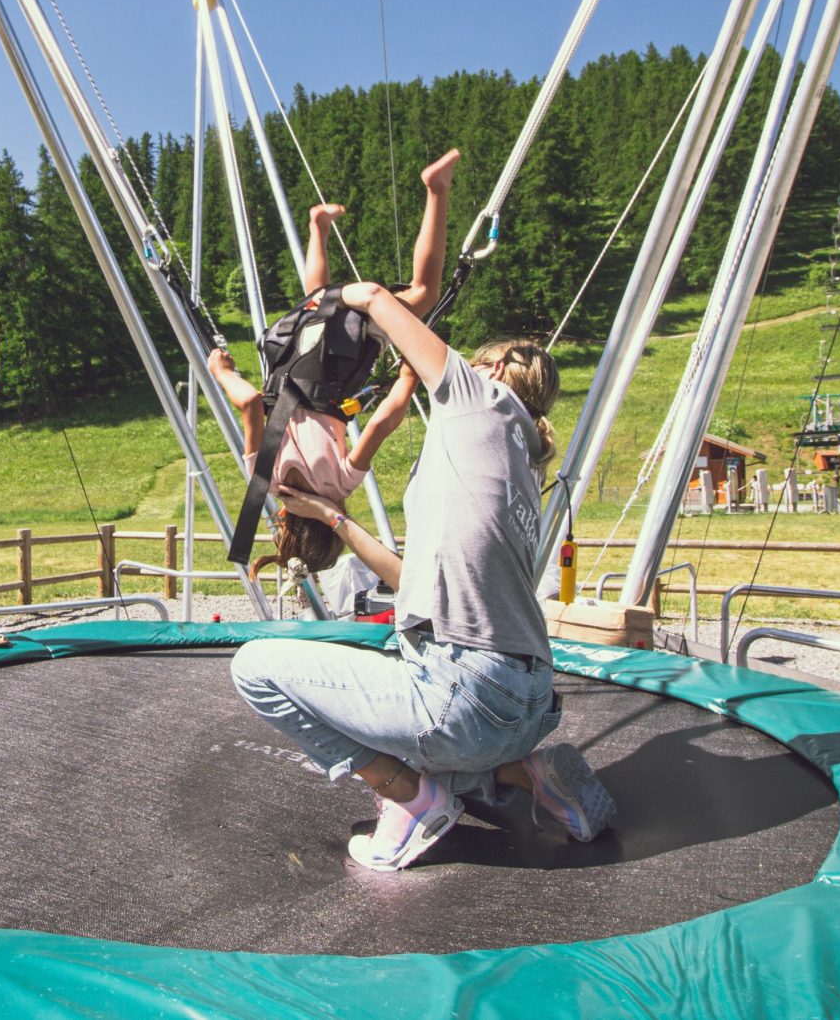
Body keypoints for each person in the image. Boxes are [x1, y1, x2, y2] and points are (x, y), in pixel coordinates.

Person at [229, 281, 616, 872]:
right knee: (437, 739)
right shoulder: (513, 463)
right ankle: (530, 772)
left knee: (254, 669)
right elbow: (411, 579)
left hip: (465, 694)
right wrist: (333, 517)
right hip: (529, 702)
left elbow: (382, 302)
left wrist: (335, 297)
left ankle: (410, 797)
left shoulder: (478, 400)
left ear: (487, 370)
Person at [208, 149, 460, 579]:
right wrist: (222, 372)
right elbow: (251, 402)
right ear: (283, 523)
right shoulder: (263, 477)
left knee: (423, 293)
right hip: (294, 338)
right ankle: (317, 226)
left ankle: (436, 190)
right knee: (319, 295)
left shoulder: (340, 486)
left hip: (341, 353)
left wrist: (408, 377)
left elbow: (381, 424)